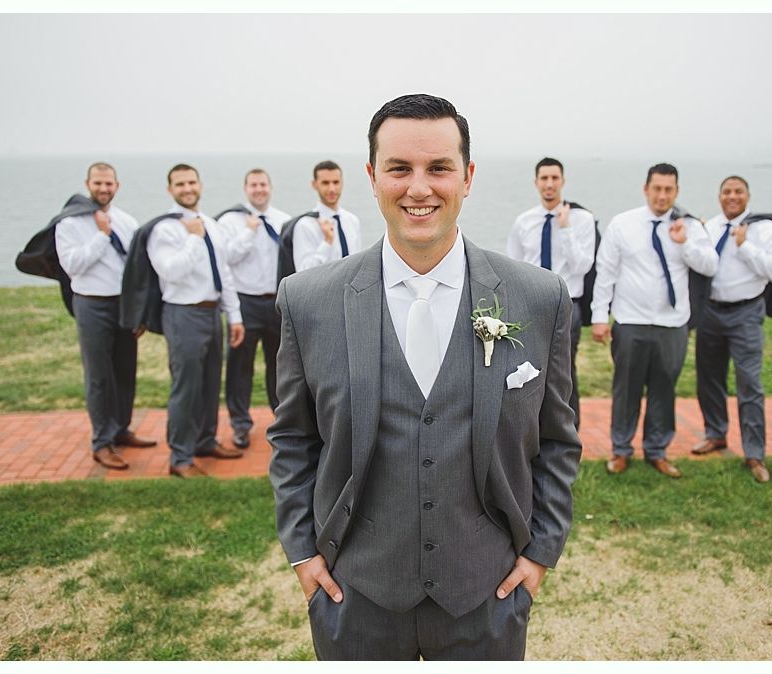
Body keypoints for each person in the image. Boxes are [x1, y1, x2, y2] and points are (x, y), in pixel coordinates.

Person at [268, 94, 582, 660]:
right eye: (399, 169)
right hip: (354, 595)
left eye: (439, 168)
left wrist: (539, 553)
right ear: (371, 176)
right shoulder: (307, 300)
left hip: (486, 596)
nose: (419, 188)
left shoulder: (538, 298)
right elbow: (293, 437)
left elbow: (557, 439)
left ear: (468, 177)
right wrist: (303, 553)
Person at [590, 163, 718, 478]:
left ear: (676, 192)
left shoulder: (689, 226)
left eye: (669, 190)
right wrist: (599, 317)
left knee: (664, 390)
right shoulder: (623, 224)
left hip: (672, 325)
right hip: (631, 322)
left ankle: (657, 450)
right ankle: (621, 450)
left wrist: (684, 244)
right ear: (646, 189)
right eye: (657, 189)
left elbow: (711, 265)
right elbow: (606, 271)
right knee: (626, 389)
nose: (662, 195)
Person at [54, 162, 156, 470]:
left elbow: (137, 270)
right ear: (88, 184)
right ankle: (102, 441)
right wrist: (101, 235)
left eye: (108, 183)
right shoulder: (69, 224)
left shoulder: (126, 221)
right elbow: (72, 266)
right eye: (98, 183)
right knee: (99, 376)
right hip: (91, 304)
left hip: (122, 306)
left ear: (117, 186)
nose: (103, 188)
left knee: (125, 371)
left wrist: (139, 312)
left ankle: (121, 429)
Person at [146, 164, 245, 478]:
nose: (187, 188)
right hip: (182, 313)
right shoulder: (165, 229)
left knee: (209, 382)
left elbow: (224, 271)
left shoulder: (211, 224)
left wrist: (235, 315)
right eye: (180, 184)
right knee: (186, 387)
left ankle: (205, 440)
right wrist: (192, 239)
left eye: (191, 182)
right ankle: (180, 458)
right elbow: (170, 271)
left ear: (199, 184)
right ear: (170, 189)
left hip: (212, 311)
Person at [691, 176, 772, 483]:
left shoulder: (765, 229)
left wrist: (745, 246)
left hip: (746, 313)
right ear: (719, 196)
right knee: (709, 378)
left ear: (748, 195)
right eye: (726, 192)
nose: (732, 197)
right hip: (710, 312)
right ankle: (715, 433)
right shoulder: (709, 228)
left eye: (738, 192)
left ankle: (754, 453)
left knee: (749, 384)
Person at [506, 157, 595, 428]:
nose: (549, 184)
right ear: (536, 183)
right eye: (544, 178)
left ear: (563, 182)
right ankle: (535, 427)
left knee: (564, 370)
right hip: (532, 306)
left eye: (555, 178)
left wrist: (565, 228)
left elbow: (583, 265)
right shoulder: (524, 222)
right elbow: (514, 267)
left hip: (568, 305)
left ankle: (570, 429)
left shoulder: (582, 219)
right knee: (530, 368)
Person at [216, 169, 291, 449]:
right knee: (239, 366)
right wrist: (249, 231)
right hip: (244, 301)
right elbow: (226, 258)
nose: (259, 189)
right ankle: (240, 423)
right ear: (245, 188)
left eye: (263, 184)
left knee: (280, 365)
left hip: (275, 302)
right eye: (253, 185)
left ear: (270, 188)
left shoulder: (283, 221)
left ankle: (282, 421)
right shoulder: (230, 221)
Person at [291, 160, 362, 271]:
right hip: (322, 288)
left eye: (336, 182)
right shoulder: (305, 225)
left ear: (342, 183)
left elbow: (357, 263)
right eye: (325, 183)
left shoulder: (352, 221)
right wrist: (327, 242)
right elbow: (303, 271)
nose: (332, 189)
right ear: (314, 185)